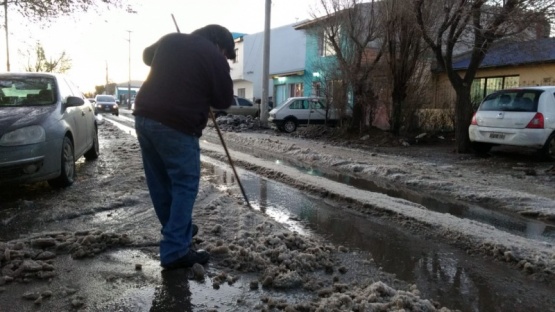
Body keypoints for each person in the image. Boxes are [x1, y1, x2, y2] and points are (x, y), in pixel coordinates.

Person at [132, 24, 235, 270]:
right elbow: (224, 100)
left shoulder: (170, 40)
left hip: (144, 117)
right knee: (184, 185)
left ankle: (179, 230)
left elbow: (147, 56)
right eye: (226, 54)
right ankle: (176, 251)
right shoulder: (214, 56)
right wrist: (213, 71)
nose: (225, 58)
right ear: (220, 46)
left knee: (160, 182)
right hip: (177, 124)